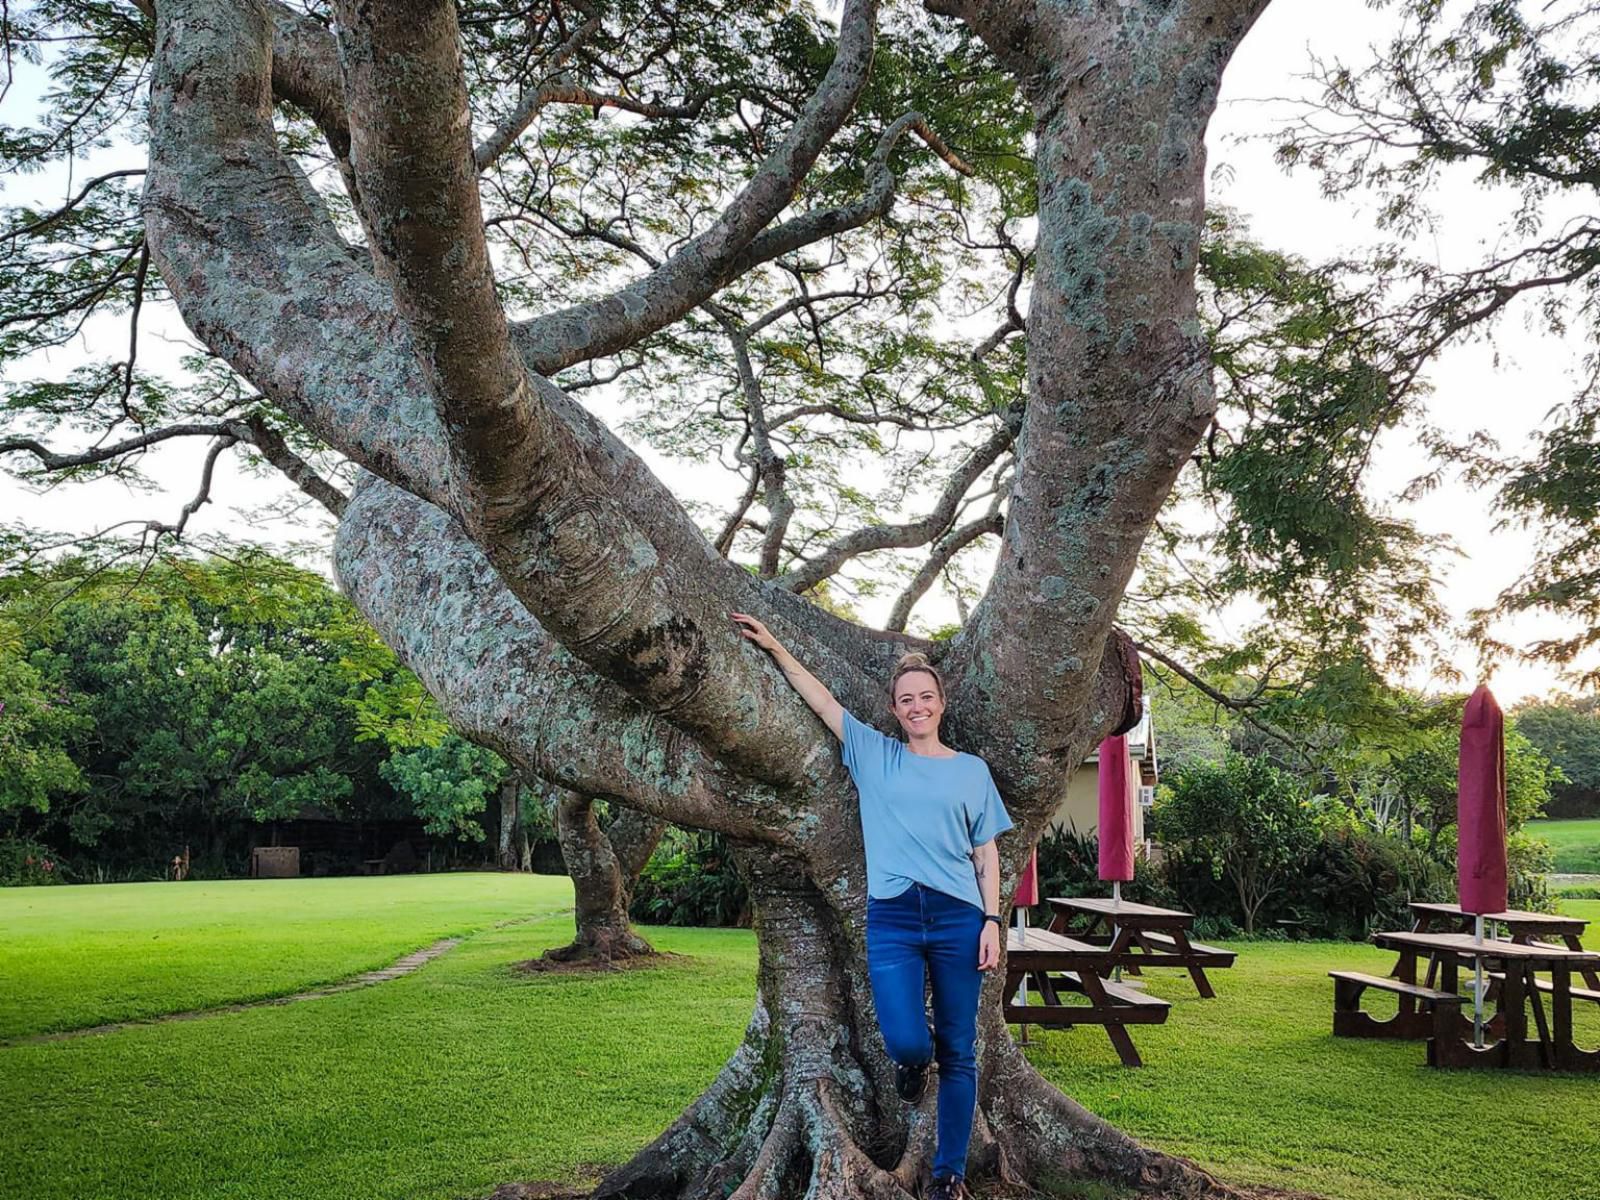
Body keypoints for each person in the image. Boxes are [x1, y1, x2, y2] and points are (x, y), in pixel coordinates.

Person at [730, 612, 1012, 1200]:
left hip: (961, 917)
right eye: (906, 699)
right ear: (895, 708)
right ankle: (913, 1064)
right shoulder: (874, 754)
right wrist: (777, 647)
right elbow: (825, 703)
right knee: (906, 1037)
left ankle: (949, 1174)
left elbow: (987, 857)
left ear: (941, 703)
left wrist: (991, 922)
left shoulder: (971, 772)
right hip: (894, 918)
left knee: (959, 1050)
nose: (917, 706)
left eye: (926, 697)